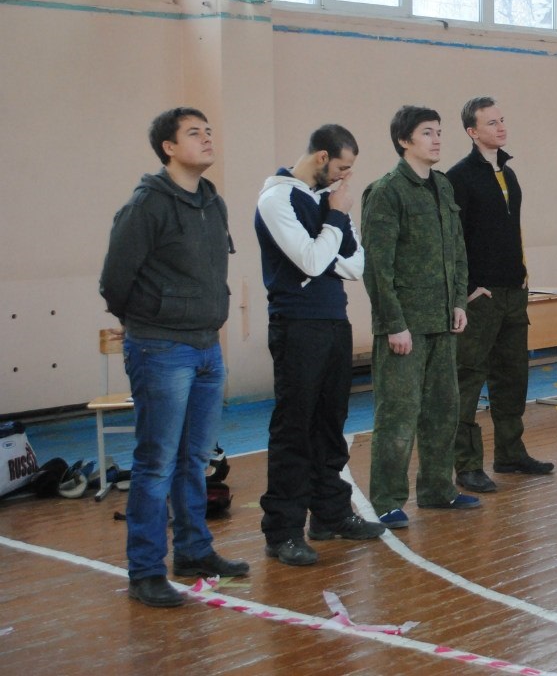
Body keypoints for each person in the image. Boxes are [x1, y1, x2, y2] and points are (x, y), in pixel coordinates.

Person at [100, 107, 249, 608]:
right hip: (161, 348)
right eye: (194, 133)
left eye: (209, 131)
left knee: (195, 459)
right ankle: (145, 570)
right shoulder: (147, 205)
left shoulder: (213, 202)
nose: (207, 139)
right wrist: (150, 321)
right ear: (168, 147)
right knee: (156, 461)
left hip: (207, 347)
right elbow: (114, 282)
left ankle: (193, 550)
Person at [254, 124, 385, 566]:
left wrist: (326, 240)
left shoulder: (327, 201)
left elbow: (356, 265)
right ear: (322, 157)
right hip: (296, 325)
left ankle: (330, 515)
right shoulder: (277, 199)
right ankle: (283, 531)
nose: (346, 178)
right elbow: (310, 261)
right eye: (342, 168)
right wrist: (333, 222)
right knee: (295, 428)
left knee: (331, 424)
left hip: (333, 321)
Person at [362, 106, 477, 529]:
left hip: (443, 322)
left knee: (444, 411)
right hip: (405, 327)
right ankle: (387, 499)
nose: (437, 139)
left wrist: (459, 302)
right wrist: (394, 324)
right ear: (404, 140)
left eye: (439, 132)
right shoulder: (387, 192)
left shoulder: (443, 187)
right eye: (427, 132)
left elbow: (458, 251)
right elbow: (377, 266)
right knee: (397, 414)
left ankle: (437, 489)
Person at [446, 96, 553, 494]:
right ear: (472, 131)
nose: (501, 127)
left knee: (513, 377)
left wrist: (523, 274)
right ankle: (467, 465)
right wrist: (467, 289)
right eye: (491, 123)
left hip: (514, 292)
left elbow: (511, 232)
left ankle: (510, 453)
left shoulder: (509, 174)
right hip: (482, 298)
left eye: (502, 120)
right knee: (469, 379)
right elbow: (453, 241)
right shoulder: (459, 177)